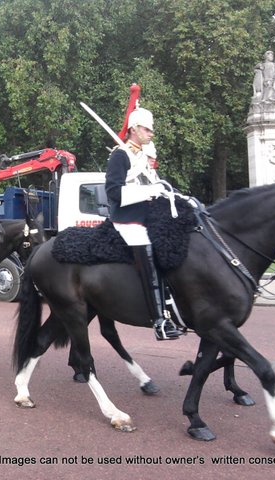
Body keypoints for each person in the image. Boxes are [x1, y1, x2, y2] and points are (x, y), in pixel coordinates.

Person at [105, 107, 182, 341]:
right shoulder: (120, 155)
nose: (151, 133)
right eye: (147, 129)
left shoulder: (142, 157)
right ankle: (159, 319)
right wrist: (149, 190)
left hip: (147, 216)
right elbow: (114, 192)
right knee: (147, 247)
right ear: (135, 129)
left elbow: (155, 185)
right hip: (127, 219)